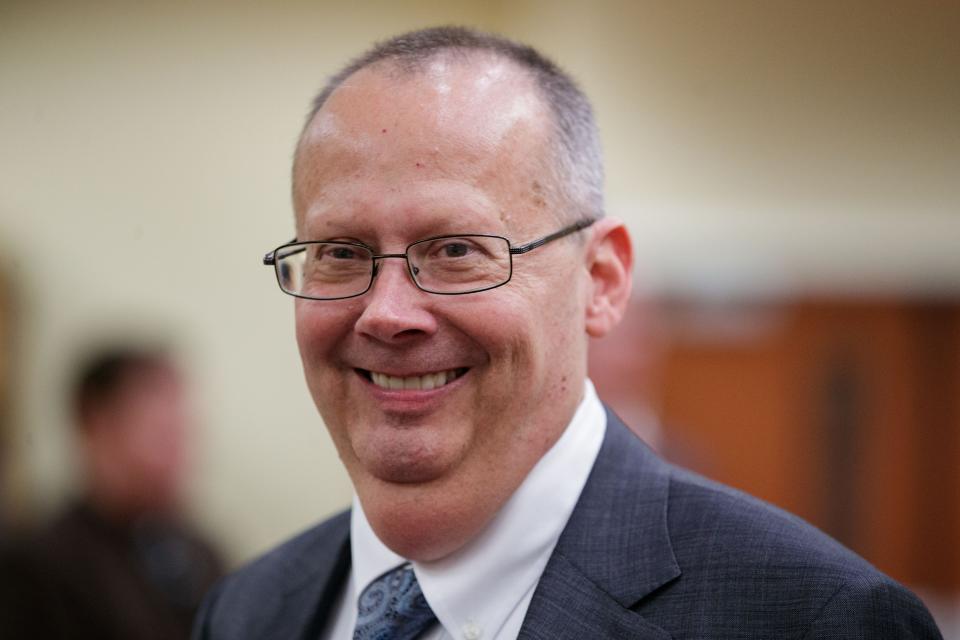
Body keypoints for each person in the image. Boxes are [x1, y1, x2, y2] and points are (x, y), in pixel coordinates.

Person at [193, 27, 941, 639]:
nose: (386, 313)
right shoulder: (247, 612)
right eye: (341, 254)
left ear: (602, 280)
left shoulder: (815, 621)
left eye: (456, 249)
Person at [0, 346, 223, 639]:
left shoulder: (199, 553)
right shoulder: (39, 566)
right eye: (159, 432)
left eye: (182, 433)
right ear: (95, 424)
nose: (177, 456)